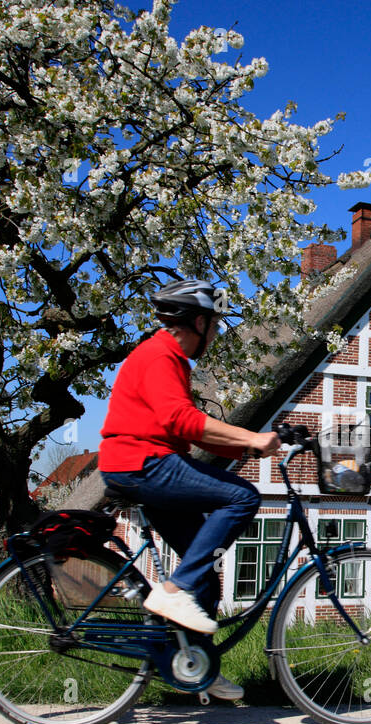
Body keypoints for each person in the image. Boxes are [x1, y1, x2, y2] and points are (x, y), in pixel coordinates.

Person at [98, 279, 280, 701]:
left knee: (206, 576)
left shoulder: (170, 359)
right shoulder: (161, 355)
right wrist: (251, 438)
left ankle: (195, 665)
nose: (215, 336)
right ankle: (172, 591)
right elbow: (181, 420)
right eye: (214, 326)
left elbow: (192, 433)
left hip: (149, 465)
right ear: (197, 321)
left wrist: (249, 442)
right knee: (242, 497)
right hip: (143, 464)